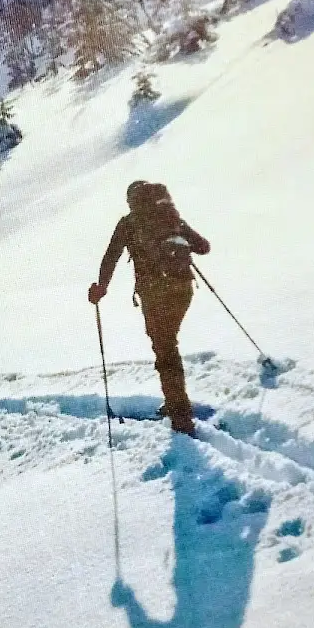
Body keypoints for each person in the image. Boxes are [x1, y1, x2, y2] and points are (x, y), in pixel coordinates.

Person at [89, 181, 210, 437]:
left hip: (154, 293)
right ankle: (175, 403)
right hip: (183, 288)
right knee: (168, 345)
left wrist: (101, 287)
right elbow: (203, 247)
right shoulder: (170, 216)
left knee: (165, 349)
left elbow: (111, 256)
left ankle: (180, 417)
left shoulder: (129, 222)